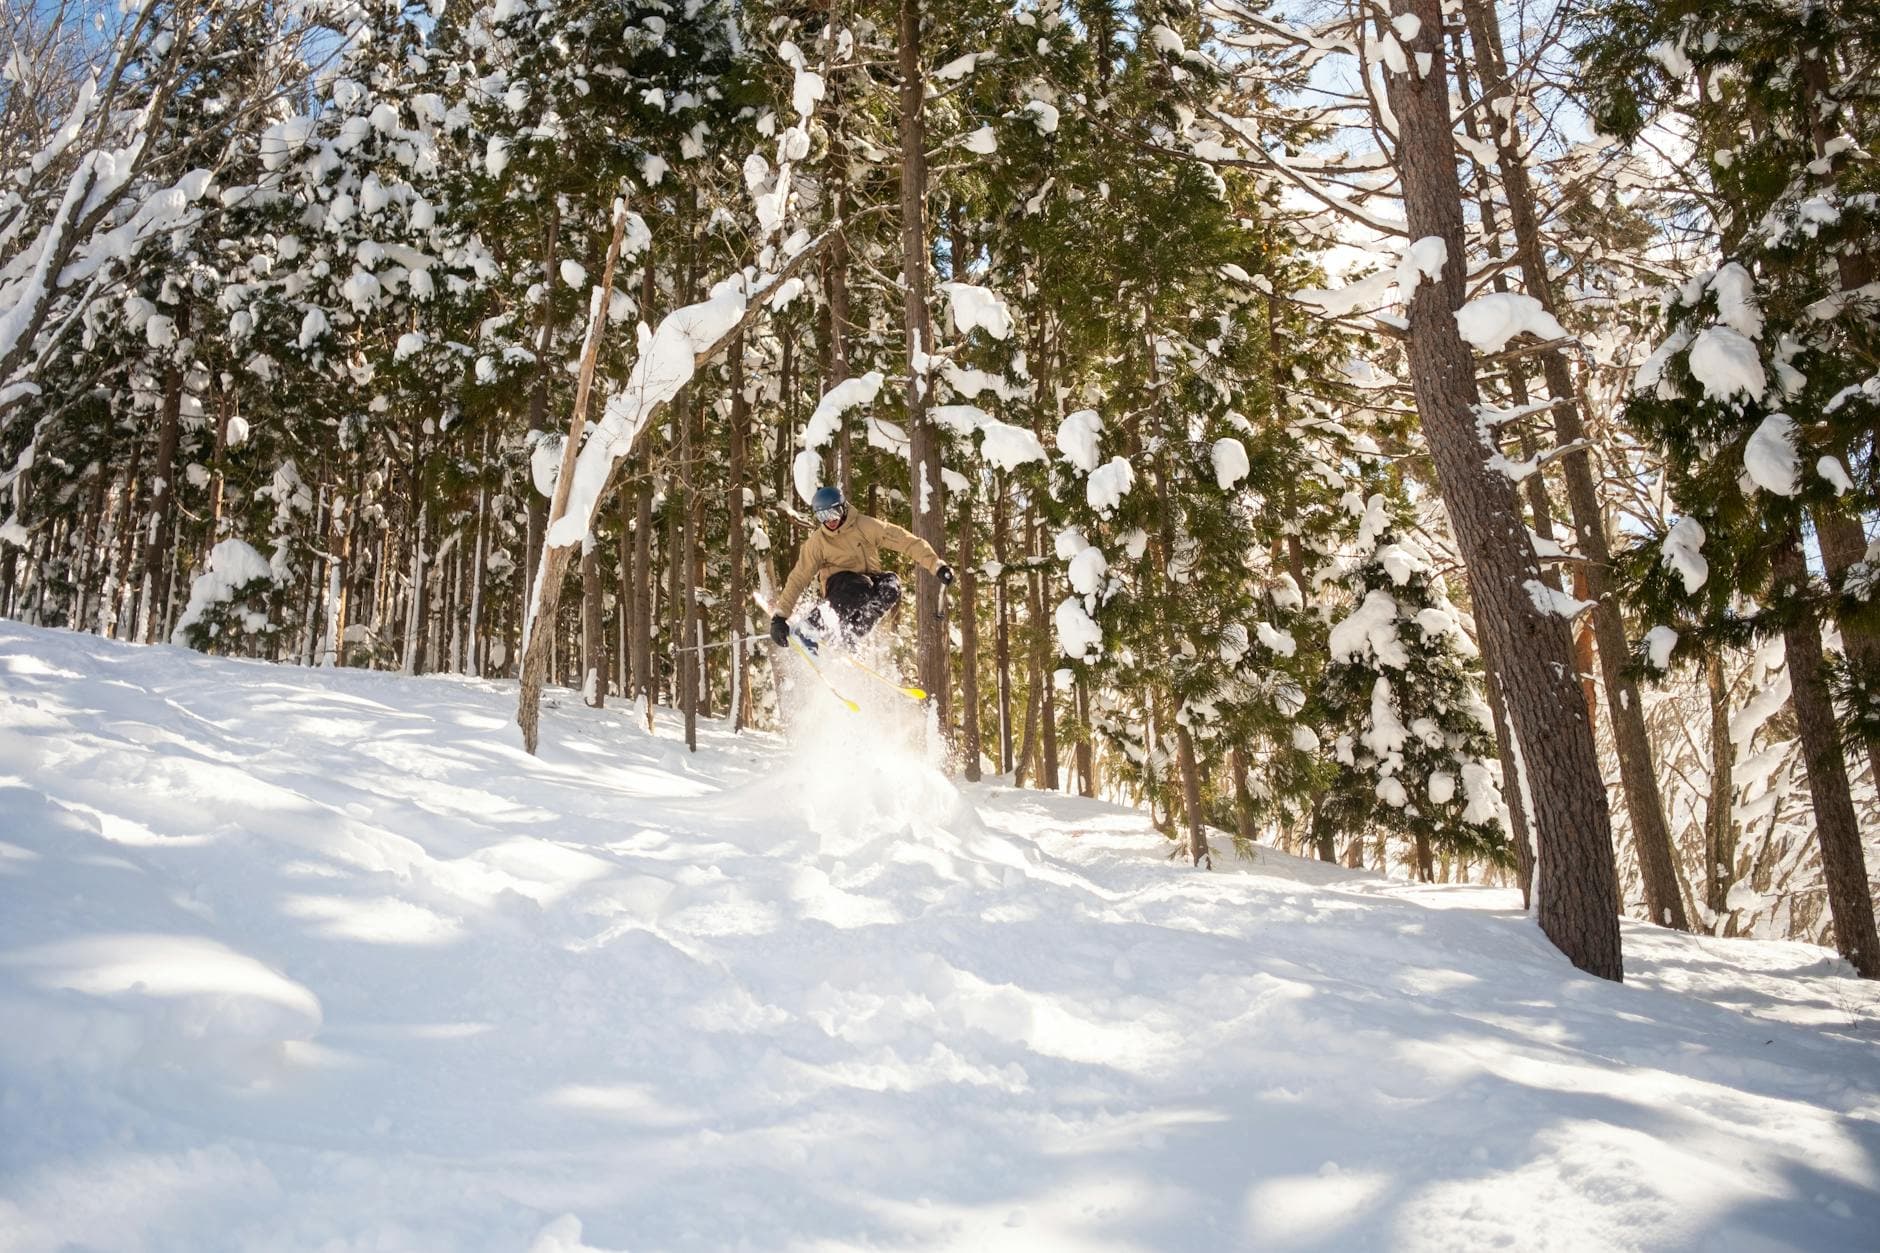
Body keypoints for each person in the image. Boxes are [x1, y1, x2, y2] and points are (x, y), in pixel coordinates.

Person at [770, 485, 953, 647]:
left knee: (891, 585)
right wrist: (780, 617)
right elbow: (799, 576)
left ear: (843, 508)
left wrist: (936, 565)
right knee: (861, 585)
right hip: (841, 586)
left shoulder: (865, 526)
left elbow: (904, 540)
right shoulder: (818, 542)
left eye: (833, 513)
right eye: (822, 516)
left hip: (867, 581)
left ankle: (851, 635)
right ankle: (811, 627)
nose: (830, 521)